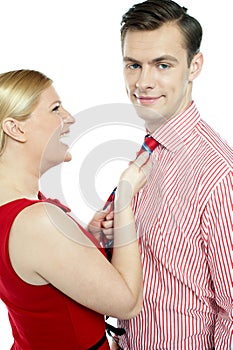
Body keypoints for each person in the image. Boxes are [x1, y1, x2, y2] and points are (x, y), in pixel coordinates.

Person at [98, 1, 232, 349]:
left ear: (194, 66)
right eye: (134, 65)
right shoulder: (149, 148)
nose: (143, 82)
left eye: (162, 65)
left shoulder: (218, 175)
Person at [0, 69, 153, 349]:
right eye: (56, 109)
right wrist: (124, 201)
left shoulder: (16, 211)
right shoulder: (36, 222)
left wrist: (86, 239)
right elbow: (128, 303)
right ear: (15, 128)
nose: (69, 118)